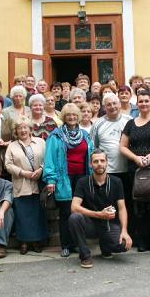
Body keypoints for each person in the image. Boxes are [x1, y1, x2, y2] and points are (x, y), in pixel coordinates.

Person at [43, 103, 94, 257]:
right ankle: (66, 244)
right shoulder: (56, 135)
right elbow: (49, 158)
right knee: (66, 213)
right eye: (68, 115)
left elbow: (91, 156)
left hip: (83, 178)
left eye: (74, 115)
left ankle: (79, 243)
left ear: (78, 117)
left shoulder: (85, 135)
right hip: (64, 179)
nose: (71, 118)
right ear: (64, 117)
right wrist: (51, 180)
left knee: (79, 212)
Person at [120, 90, 150, 253]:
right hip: (136, 169)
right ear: (137, 103)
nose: (144, 104)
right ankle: (143, 241)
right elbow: (122, 147)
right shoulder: (130, 123)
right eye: (141, 101)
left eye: (147, 101)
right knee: (139, 207)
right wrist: (136, 158)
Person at [69, 150, 133, 268]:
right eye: (96, 161)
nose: (99, 164)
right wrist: (99, 214)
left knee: (124, 245)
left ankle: (106, 246)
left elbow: (122, 208)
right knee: (74, 217)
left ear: (107, 163)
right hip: (90, 224)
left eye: (102, 161)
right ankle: (85, 256)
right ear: (90, 164)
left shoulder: (116, 182)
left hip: (109, 224)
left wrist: (124, 231)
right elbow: (74, 207)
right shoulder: (82, 182)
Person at [91, 93, 133, 237]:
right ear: (104, 107)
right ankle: (111, 234)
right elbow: (94, 148)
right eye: (108, 104)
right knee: (111, 204)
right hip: (108, 172)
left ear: (119, 104)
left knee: (129, 203)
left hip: (128, 170)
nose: (112, 106)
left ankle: (128, 232)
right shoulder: (98, 124)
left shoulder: (129, 121)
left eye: (115, 103)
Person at [5, 117, 47, 254]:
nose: (23, 130)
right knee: (22, 214)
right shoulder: (12, 146)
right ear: (16, 131)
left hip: (38, 183)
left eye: (25, 127)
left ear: (30, 129)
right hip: (21, 184)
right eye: (19, 128)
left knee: (37, 213)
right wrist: (23, 173)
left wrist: (41, 170)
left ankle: (36, 241)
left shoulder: (41, 142)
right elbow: (8, 165)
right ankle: (23, 242)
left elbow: (48, 159)